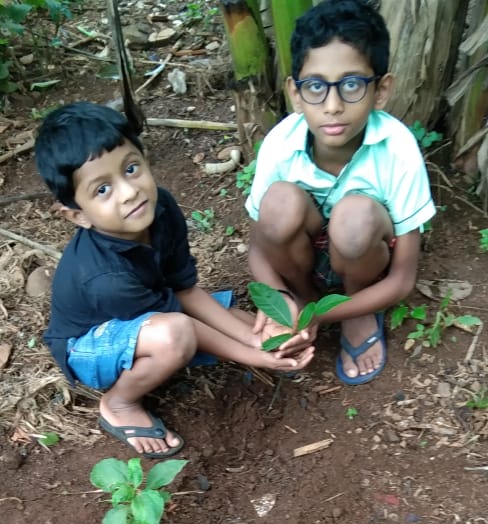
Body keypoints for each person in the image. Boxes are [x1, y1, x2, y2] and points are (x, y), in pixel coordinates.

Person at [34, 102, 314, 459]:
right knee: (176, 336)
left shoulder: (161, 208)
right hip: (89, 345)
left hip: (152, 312)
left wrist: (254, 339)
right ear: (78, 215)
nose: (129, 191)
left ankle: (260, 343)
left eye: (131, 169)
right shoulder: (105, 278)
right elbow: (182, 324)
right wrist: (254, 356)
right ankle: (119, 404)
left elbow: (183, 290)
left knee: (251, 326)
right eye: (102, 190)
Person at [246, 0, 436, 385]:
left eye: (351, 85)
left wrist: (318, 317)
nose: (332, 106)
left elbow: (403, 278)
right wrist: (281, 299)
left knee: (355, 217)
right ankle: (303, 294)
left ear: (380, 90)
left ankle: (356, 305)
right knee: (279, 203)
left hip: (365, 256)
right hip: (303, 261)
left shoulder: (397, 149)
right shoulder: (281, 144)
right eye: (316, 86)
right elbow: (258, 246)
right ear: (295, 93)